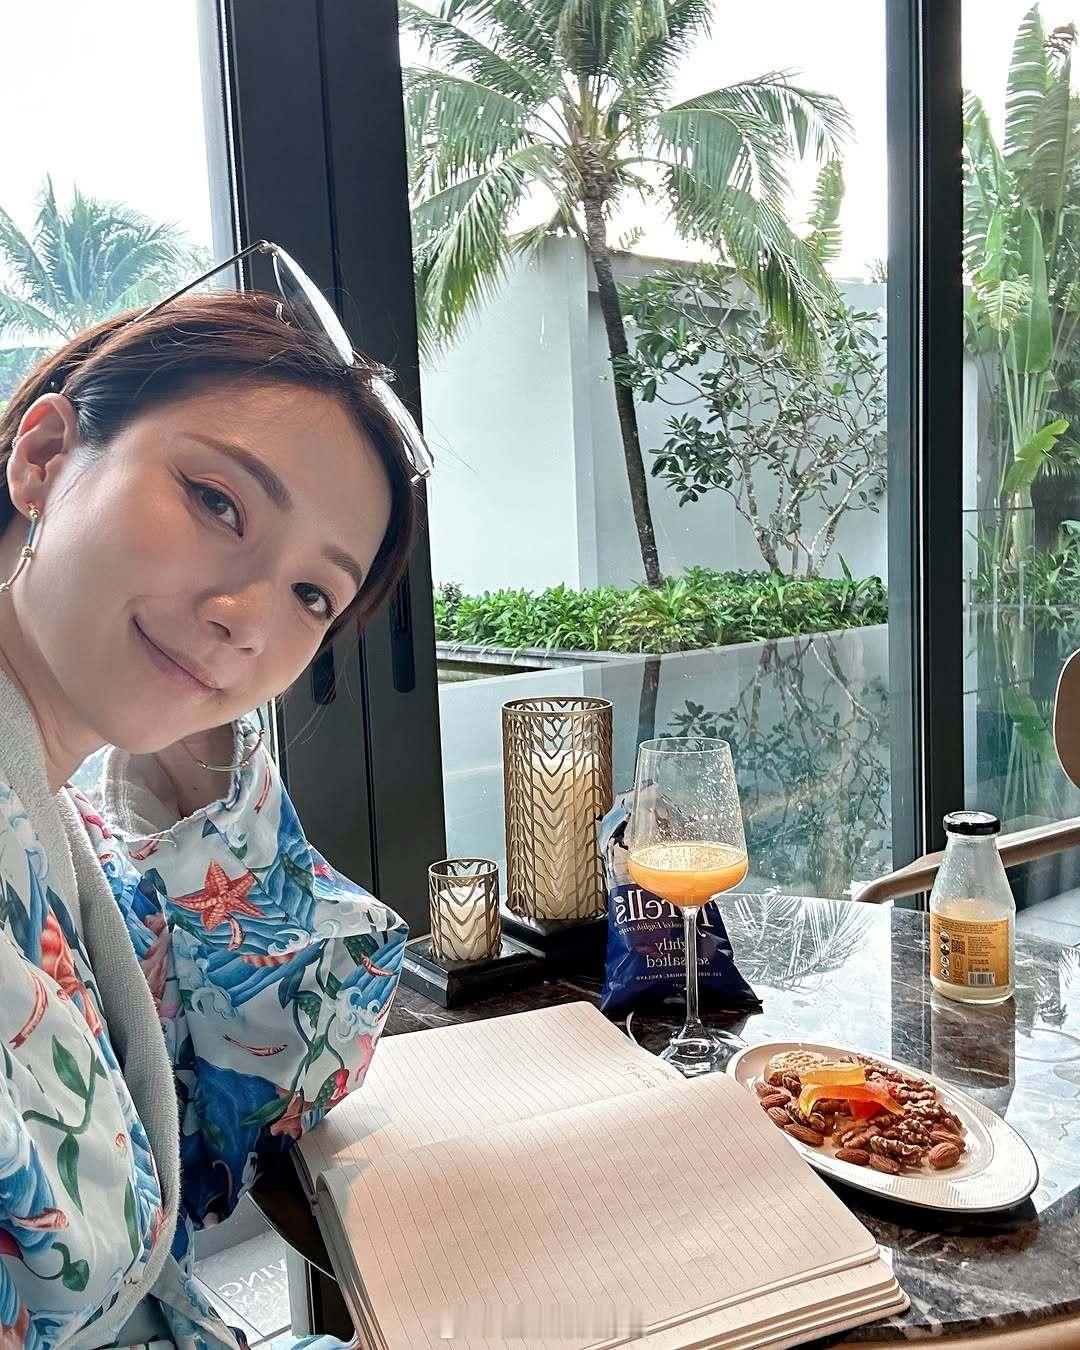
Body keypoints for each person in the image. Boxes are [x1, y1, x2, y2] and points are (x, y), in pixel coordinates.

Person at [0, 248, 427, 1349]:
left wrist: (196, 735)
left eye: (311, 593)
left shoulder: (65, 830)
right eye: (216, 500)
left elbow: (276, 1074)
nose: (248, 616)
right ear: (44, 456)